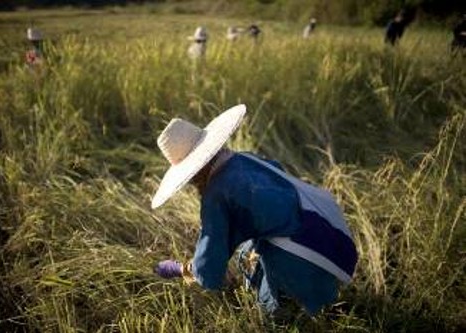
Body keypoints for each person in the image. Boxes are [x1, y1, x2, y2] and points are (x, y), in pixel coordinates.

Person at [151, 105, 358, 320]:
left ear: (193, 172)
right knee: (247, 252)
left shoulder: (216, 195)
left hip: (299, 250)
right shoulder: (244, 159)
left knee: (277, 315)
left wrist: (180, 269)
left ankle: (294, 315)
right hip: (324, 222)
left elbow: (210, 256)